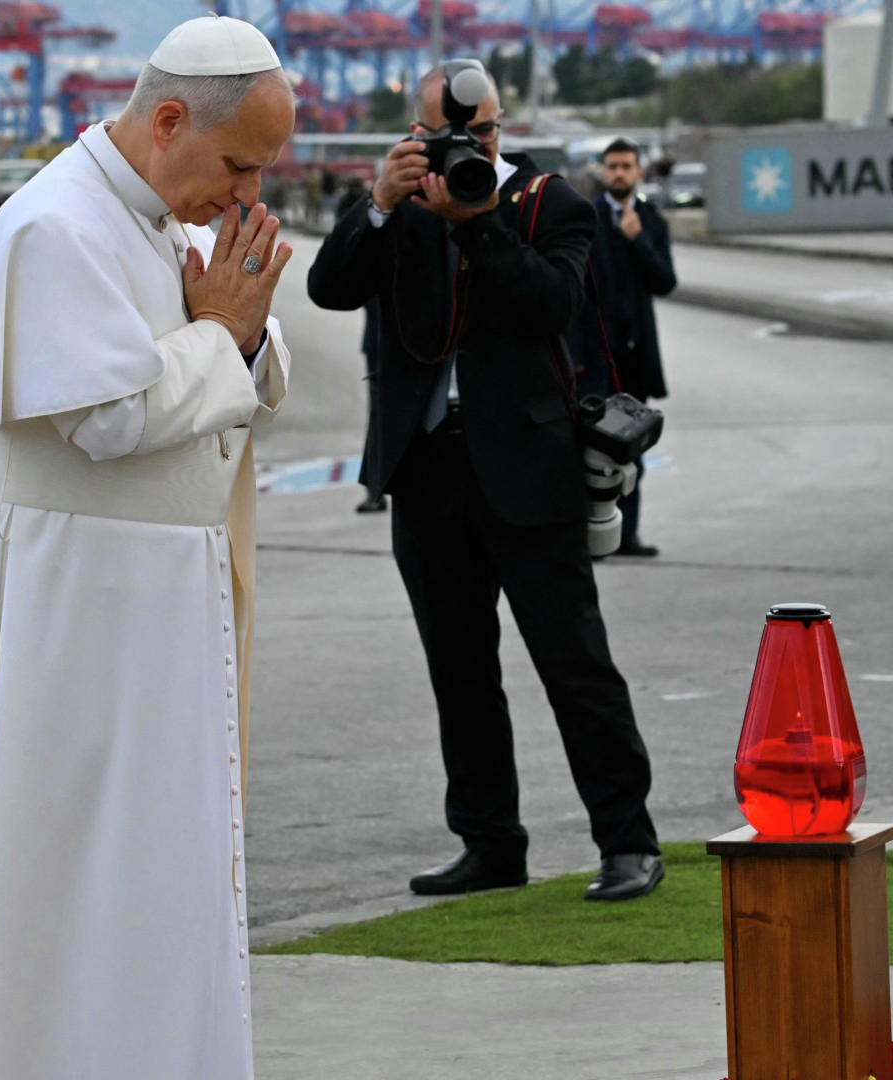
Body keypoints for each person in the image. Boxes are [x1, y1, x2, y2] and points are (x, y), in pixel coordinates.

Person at [0, 15, 293, 1079]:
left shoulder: (152, 216)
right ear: (169, 120)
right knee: (54, 881)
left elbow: (221, 357)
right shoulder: (57, 225)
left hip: (142, 606)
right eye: (239, 165)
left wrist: (231, 332)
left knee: (147, 876)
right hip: (72, 608)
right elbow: (111, 417)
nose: (246, 194)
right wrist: (224, 334)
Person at [307, 61, 664, 903]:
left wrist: (478, 223)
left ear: (502, 128)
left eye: (484, 132)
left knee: (575, 664)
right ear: (415, 134)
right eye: (449, 136)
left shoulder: (550, 203)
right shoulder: (400, 204)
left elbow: (554, 304)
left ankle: (628, 842)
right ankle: (490, 843)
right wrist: (380, 204)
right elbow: (329, 289)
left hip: (529, 468)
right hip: (427, 467)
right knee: (459, 670)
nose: (470, 147)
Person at [572, 137, 675, 558]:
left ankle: (625, 534)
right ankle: (585, 537)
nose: (619, 173)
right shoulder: (583, 218)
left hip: (635, 357)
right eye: (612, 166)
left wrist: (638, 240)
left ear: (637, 171)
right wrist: (574, 355)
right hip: (593, 357)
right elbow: (572, 292)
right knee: (588, 452)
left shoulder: (650, 221)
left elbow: (664, 282)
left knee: (631, 448)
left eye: (626, 166)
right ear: (603, 171)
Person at [333, 174, 387, 513]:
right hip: (382, 340)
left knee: (380, 415)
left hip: (385, 339)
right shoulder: (371, 226)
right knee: (380, 415)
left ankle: (376, 490)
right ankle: (376, 488)